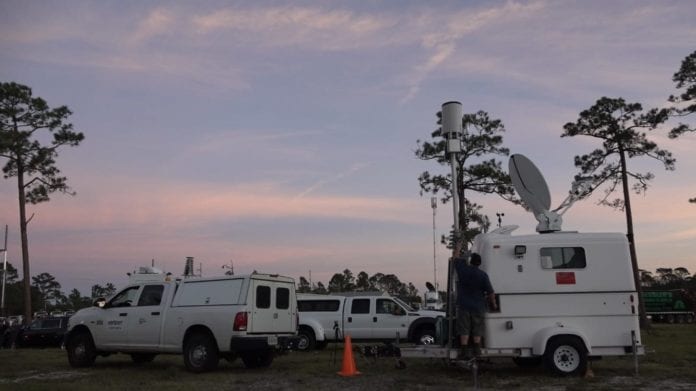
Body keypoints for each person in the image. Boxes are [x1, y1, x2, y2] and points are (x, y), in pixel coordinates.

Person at [455, 252, 496, 358]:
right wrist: (494, 304)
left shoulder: (463, 271)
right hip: (478, 305)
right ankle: (477, 348)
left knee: (464, 327)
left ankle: (463, 350)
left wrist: (458, 248)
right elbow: (491, 292)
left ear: (470, 261)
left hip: (464, 305)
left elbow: (455, 258)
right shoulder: (483, 275)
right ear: (479, 263)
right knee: (477, 327)